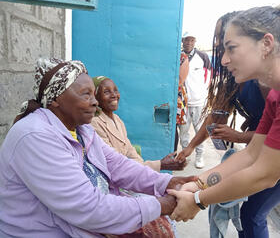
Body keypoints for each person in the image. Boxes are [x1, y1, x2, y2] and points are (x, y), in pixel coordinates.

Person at [167, 1, 280, 238]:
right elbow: (251, 154)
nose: (223, 60)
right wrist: (197, 183)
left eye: (231, 48)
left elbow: (264, 174)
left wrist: (196, 200)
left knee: (253, 212)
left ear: (266, 44)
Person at [0, 58, 196, 237]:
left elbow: (118, 165)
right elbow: (87, 207)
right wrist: (162, 205)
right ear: (56, 99)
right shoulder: (36, 136)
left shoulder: (82, 130)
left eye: (93, 94)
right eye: (85, 94)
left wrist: (166, 183)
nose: (95, 102)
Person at [90, 76, 186, 172]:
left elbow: (130, 151)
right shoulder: (95, 123)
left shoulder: (117, 120)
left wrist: (145, 169)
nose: (114, 95)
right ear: (95, 97)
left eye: (115, 90)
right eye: (106, 92)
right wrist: (159, 165)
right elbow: (114, 162)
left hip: (125, 171)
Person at [179, 31, 211, 168]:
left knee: (200, 130)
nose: (189, 43)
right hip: (183, 103)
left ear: (195, 41)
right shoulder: (179, 56)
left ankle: (199, 155)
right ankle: (185, 156)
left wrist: (204, 95)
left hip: (199, 102)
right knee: (183, 131)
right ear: (182, 41)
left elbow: (209, 78)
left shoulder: (202, 57)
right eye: (187, 40)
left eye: (192, 40)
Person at [174, 52, 189, 152]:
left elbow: (180, 79)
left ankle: (176, 153)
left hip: (177, 96)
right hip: (170, 93)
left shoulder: (182, 57)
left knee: (176, 127)